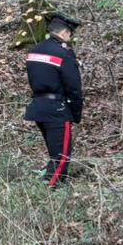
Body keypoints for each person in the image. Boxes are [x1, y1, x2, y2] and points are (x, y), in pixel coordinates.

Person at [24, 12, 84, 187]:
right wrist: (75, 114)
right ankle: (49, 195)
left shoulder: (34, 51)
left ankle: (50, 191)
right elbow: (74, 88)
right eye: (70, 35)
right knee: (61, 159)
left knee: (55, 155)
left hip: (39, 108)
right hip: (58, 110)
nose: (70, 39)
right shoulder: (64, 54)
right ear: (65, 33)